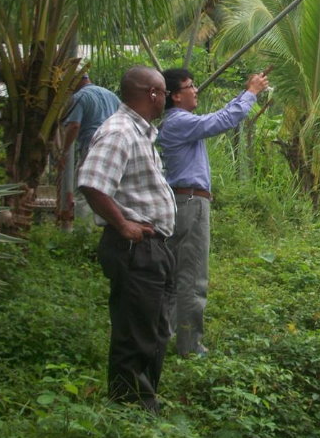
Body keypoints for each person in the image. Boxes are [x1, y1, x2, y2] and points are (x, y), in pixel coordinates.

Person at [78, 66, 177, 414]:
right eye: (164, 92)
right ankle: (131, 411)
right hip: (136, 249)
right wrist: (123, 225)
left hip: (154, 248)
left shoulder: (141, 133)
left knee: (154, 331)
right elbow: (92, 182)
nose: (166, 98)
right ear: (151, 94)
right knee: (136, 334)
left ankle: (144, 403)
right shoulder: (120, 131)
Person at [157, 67, 269, 358]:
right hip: (190, 203)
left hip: (182, 202)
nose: (196, 90)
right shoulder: (180, 121)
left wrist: (245, 93)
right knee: (192, 278)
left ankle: (167, 337)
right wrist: (251, 93)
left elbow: (218, 117)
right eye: (190, 86)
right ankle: (190, 347)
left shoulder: (175, 121)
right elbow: (222, 120)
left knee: (174, 277)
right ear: (175, 96)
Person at [59, 73, 120, 222]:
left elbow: (74, 125)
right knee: (109, 190)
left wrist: (63, 151)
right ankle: (108, 226)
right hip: (115, 149)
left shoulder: (80, 97)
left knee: (85, 188)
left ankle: (84, 229)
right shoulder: (111, 95)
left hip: (93, 149)